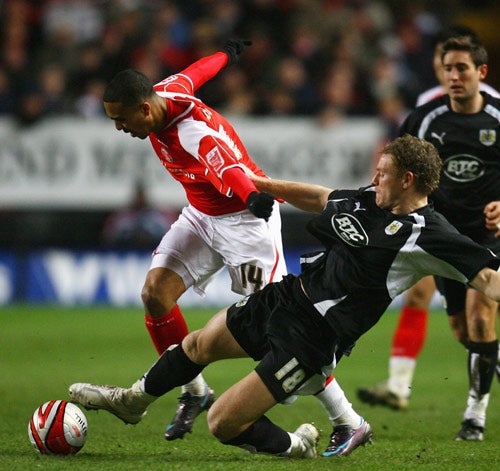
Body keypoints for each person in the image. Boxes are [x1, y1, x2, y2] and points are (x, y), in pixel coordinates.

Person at [69, 134, 500, 459]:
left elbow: (488, 278)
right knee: (198, 344)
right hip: (287, 296)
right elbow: (319, 197)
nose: (373, 178)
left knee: (222, 423)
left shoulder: (430, 235)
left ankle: (298, 446)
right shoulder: (373, 199)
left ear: (407, 180)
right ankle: (133, 402)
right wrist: (260, 183)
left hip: (313, 338)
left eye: (382, 172)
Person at [100, 39, 365, 453]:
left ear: (144, 109)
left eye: (121, 120)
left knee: (281, 329)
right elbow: (197, 72)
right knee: (155, 294)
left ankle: (347, 419)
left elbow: (224, 165)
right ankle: (194, 390)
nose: (120, 128)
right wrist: (225, 54)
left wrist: (252, 198)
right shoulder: (168, 90)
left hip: (246, 223)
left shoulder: (190, 133)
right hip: (202, 217)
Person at [358, 36, 500, 442]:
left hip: (490, 236)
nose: (454, 77)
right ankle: (489, 362)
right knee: (462, 329)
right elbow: (394, 163)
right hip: (444, 238)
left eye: (462, 69)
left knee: (480, 316)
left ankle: (474, 415)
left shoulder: (498, 118)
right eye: (448, 69)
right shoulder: (424, 119)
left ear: (481, 73)